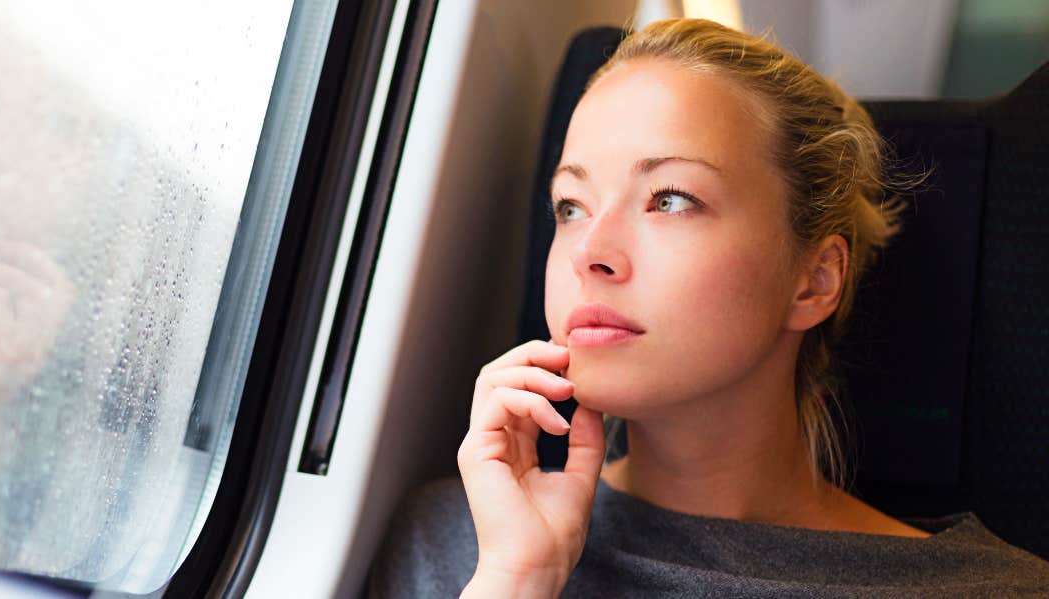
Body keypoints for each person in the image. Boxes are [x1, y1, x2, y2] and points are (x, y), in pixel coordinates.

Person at [368, 18, 1049, 598]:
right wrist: (518, 576)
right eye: (570, 207)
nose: (589, 253)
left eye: (669, 198)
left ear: (814, 279)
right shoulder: (459, 541)